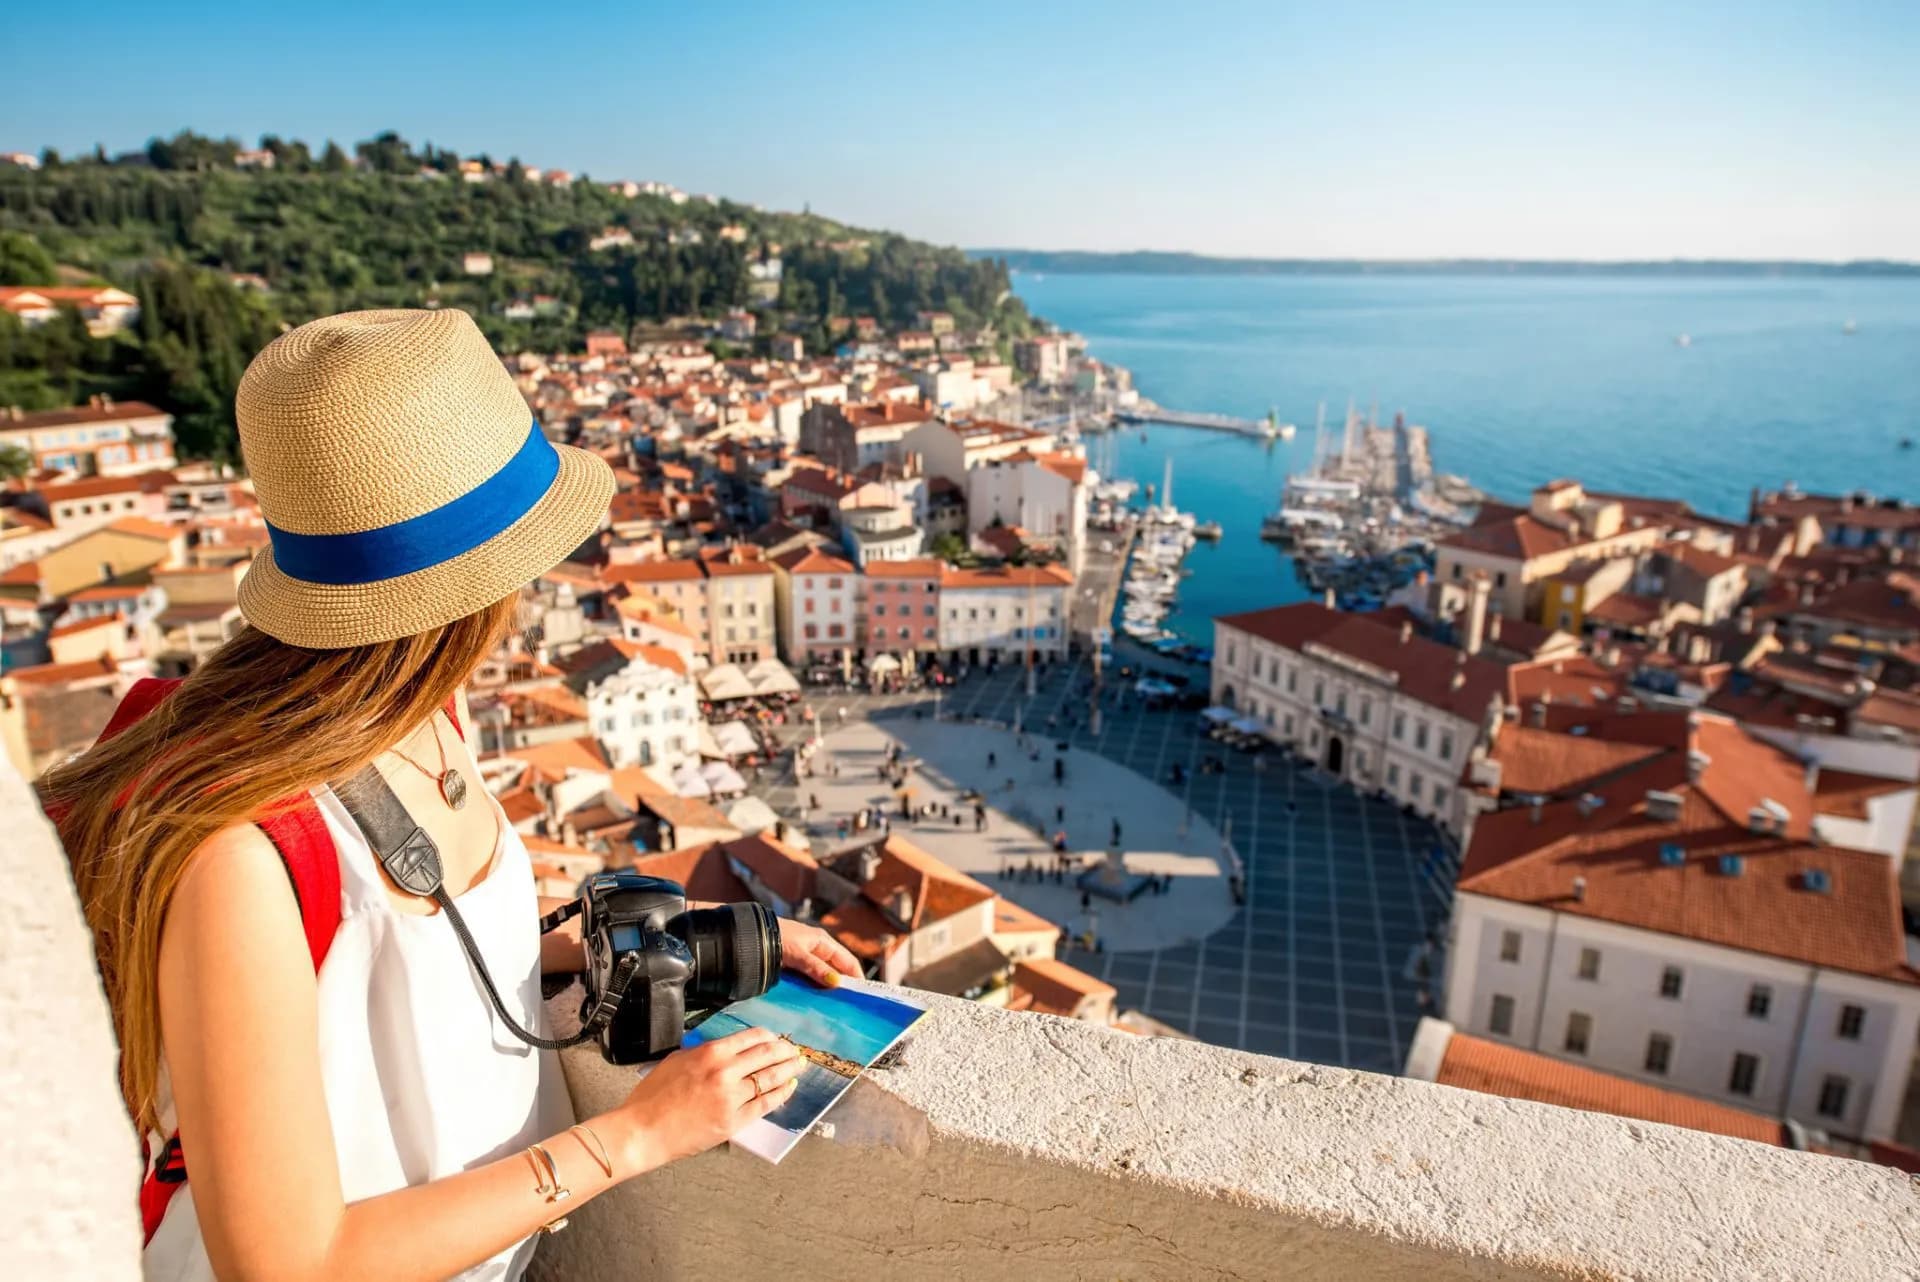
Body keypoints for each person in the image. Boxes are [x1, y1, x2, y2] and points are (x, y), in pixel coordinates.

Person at [43, 311, 861, 1282]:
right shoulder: (241, 852)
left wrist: (694, 940)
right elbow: (287, 1264)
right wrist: (637, 1138)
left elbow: (408, 954)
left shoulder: (430, 714)